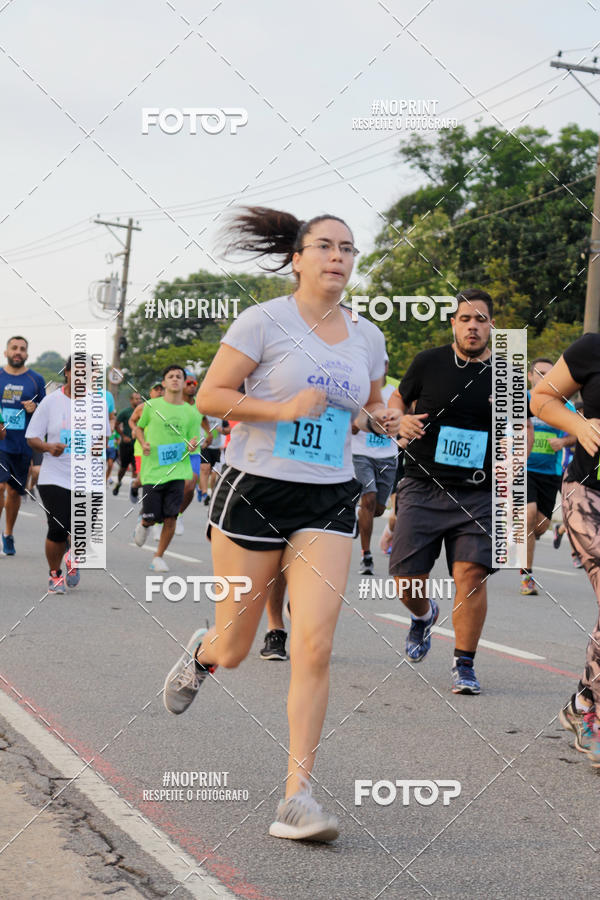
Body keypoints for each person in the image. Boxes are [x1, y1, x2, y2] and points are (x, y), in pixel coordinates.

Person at [161, 206, 398, 842]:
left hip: (328, 496)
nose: (337, 258)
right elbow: (212, 395)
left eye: (347, 249)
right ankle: (203, 654)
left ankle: (297, 796)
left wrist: (384, 420)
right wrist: (282, 407)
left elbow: (370, 405)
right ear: (297, 258)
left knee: (314, 644)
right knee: (236, 647)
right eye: (323, 246)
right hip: (255, 490)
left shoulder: (367, 336)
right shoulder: (263, 320)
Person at [388, 289, 497, 695]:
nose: (473, 326)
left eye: (481, 319)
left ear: (491, 326)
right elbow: (397, 398)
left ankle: (464, 663)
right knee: (406, 579)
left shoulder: (504, 373)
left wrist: (515, 454)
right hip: (422, 484)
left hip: (479, 492)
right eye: (465, 318)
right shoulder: (428, 362)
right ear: (453, 323)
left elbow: (522, 424)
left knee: (470, 575)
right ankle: (423, 615)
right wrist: (399, 419)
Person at [530, 335, 600, 769]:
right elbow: (542, 398)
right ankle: (593, 719)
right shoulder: (592, 348)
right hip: (588, 496)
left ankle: (581, 705)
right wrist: (578, 425)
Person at [25, 356, 109, 592]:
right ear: (68, 373)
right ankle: (55, 574)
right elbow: (32, 437)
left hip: (89, 476)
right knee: (58, 528)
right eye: (77, 371)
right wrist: (48, 447)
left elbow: (104, 436)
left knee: (83, 530)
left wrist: (98, 446)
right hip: (55, 475)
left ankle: (74, 556)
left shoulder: (99, 403)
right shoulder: (51, 402)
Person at [129, 366, 202, 571]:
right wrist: (143, 443)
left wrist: (192, 445)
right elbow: (139, 428)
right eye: (171, 376)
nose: (175, 379)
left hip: (178, 469)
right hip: (154, 470)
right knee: (153, 516)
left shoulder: (191, 412)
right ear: (164, 382)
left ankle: (158, 556)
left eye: (179, 376)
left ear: (184, 382)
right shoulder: (151, 406)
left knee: (171, 516)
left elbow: (193, 438)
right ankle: (144, 523)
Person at [519, 358, 577, 595]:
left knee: (539, 526)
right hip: (523, 469)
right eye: (541, 373)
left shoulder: (563, 405)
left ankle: (522, 535)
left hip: (550, 473)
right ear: (531, 376)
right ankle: (526, 576)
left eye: (550, 374)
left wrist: (563, 440)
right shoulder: (521, 399)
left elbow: (578, 432)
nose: (546, 378)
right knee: (529, 514)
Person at [352, 357, 398, 574]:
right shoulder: (359, 390)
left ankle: (359, 519)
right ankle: (366, 556)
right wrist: (365, 424)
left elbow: (405, 417)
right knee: (368, 498)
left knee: (378, 510)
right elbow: (352, 427)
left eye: (384, 365)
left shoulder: (396, 391)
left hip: (387, 456)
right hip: (361, 453)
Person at [0, 335, 46, 554]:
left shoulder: (35, 380)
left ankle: (8, 534)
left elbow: (46, 413)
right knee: (0, 486)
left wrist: (35, 408)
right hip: (1, 444)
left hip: (22, 446)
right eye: (14, 348)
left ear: (27, 354)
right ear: (6, 352)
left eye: (22, 349)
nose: (18, 351)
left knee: (15, 493)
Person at [112, 391, 142, 497]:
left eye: (139, 399)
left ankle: (133, 489)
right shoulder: (126, 412)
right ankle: (118, 483)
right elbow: (116, 425)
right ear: (131, 400)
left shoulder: (143, 411)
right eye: (136, 399)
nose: (138, 401)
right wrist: (123, 436)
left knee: (136, 468)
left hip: (138, 445)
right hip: (126, 445)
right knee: (123, 468)